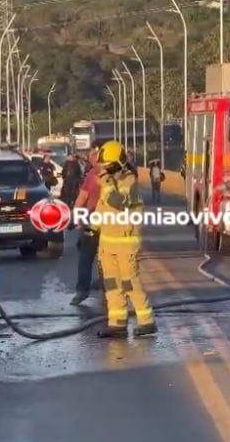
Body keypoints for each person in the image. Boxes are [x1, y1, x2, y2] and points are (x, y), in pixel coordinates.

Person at [92, 141, 156, 338]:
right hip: (107, 244)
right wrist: (91, 228)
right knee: (112, 284)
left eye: (106, 165)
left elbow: (117, 202)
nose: (102, 169)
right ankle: (117, 322)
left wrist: (107, 183)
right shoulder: (108, 183)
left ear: (115, 165)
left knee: (129, 283)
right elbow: (102, 208)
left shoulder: (129, 181)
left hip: (126, 243)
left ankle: (147, 321)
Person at [70, 148, 103, 305]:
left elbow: (82, 197)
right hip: (113, 222)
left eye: (92, 157)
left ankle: (82, 291)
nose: (90, 159)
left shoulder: (93, 174)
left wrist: (76, 217)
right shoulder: (119, 173)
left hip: (93, 220)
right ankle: (107, 285)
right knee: (108, 257)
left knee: (85, 256)